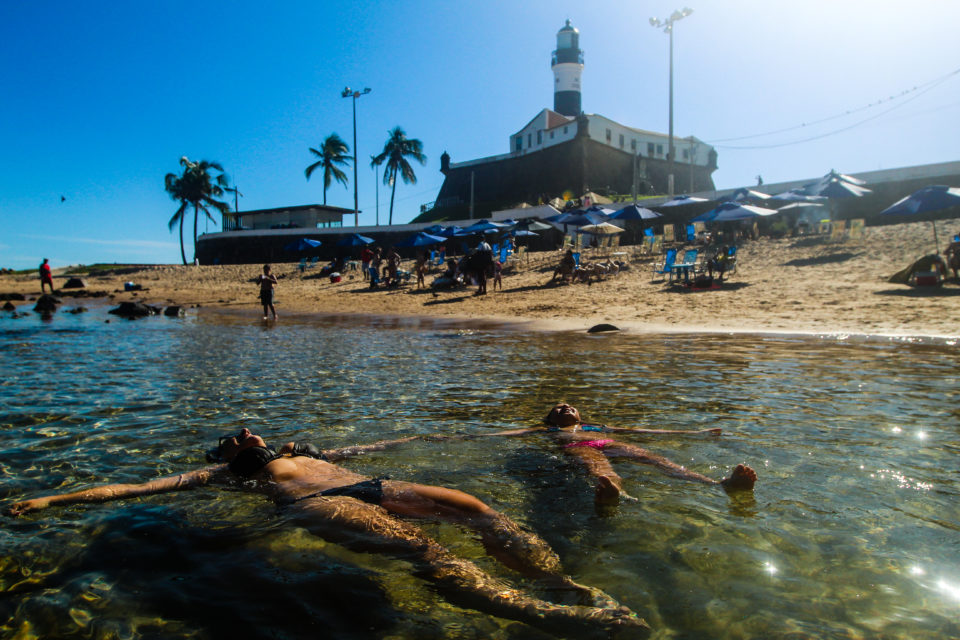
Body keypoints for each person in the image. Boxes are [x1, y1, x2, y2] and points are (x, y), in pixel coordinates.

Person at [4, 428, 648, 637]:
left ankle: (568, 584)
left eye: (246, 432)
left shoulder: (299, 446)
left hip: (373, 483)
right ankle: (539, 612)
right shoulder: (217, 478)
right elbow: (129, 489)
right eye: (233, 440)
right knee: (422, 550)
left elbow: (376, 443)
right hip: (320, 506)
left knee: (482, 512)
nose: (244, 436)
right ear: (225, 457)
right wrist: (50, 497)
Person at [468, 403, 757, 506]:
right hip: (578, 448)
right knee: (601, 469)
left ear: (580, 414)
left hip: (607, 441)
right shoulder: (547, 432)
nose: (565, 408)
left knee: (659, 460)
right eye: (558, 409)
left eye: (570, 406)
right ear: (550, 420)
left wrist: (695, 434)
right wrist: (442, 437)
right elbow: (497, 436)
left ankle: (717, 485)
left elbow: (642, 431)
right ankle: (617, 494)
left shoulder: (595, 426)